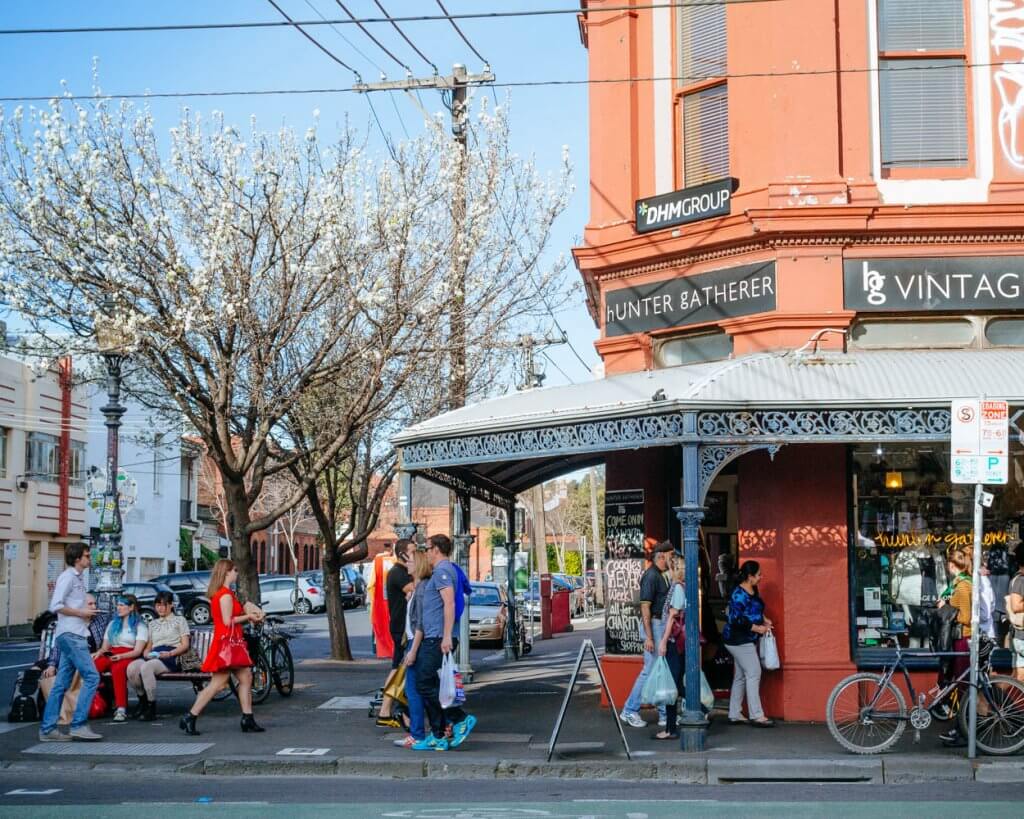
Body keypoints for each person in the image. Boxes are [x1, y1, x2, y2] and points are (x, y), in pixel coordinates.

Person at [180, 559, 266, 735]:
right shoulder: (225, 595)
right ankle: (190, 716)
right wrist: (249, 617)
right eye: (234, 570)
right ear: (226, 572)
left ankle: (247, 718)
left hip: (228, 642)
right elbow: (228, 621)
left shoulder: (222, 593)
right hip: (228, 643)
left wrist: (248, 610)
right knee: (217, 684)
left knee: (246, 677)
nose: (236, 573)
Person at [412, 534, 476, 751]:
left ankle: (459, 718)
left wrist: (447, 636)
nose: (426, 553)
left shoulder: (442, 572)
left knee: (424, 682)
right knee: (428, 684)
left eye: (428, 548)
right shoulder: (442, 572)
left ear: (436, 549)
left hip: (438, 638)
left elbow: (449, 604)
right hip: (435, 636)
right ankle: (439, 733)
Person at [39, 542, 102, 742]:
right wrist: (81, 612)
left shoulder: (77, 577)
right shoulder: (68, 577)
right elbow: (55, 605)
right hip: (73, 634)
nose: (89, 559)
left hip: (71, 633)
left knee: (61, 683)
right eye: (86, 555)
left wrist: (84, 613)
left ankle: (48, 729)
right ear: (77, 558)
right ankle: (79, 724)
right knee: (92, 677)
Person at [619, 541, 674, 728]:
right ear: (661, 556)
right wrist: (650, 637)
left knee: (659, 670)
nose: (672, 559)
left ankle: (663, 713)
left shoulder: (660, 575)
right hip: (655, 625)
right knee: (650, 670)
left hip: (658, 624)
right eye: (670, 556)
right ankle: (629, 710)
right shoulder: (651, 576)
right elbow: (645, 608)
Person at [39, 593, 106, 728]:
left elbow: (108, 642)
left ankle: (74, 721)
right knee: (42, 671)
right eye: (90, 604)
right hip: (70, 656)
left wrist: (100, 652)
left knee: (89, 676)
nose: (94, 607)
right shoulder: (70, 623)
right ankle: (57, 719)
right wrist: (52, 664)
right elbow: (58, 646)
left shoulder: (100, 620)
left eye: (94, 603)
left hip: (89, 658)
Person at [722, 560, 775, 727]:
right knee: (753, 672)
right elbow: (734, 618)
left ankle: (735, 713)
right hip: (739, 639)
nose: (761, 577)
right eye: (759, 575)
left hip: (743, 639)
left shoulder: (752, 589)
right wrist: (756, 628)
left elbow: (754, 609)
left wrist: (764, 620)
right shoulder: (738, 594)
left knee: (740, 676)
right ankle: (757, 715)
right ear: (750, 577)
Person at [126, 590, 191, 721]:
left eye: (163, 605)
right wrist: (146, 653)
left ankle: (151, 707)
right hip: (154, 654)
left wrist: (170, 653)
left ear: (171, 605)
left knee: (147, 668)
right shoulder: (153, 623)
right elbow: (149, 645)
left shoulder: (180, 620)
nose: (160, 608)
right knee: (132, 668)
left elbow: (185, 645)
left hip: (172, 655)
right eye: (157, 605)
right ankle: (143, 700)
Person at [395, 546, 432, 749]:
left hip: (416, 643)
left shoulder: (421, 590)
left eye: (409, 561)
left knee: (414, 690)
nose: (406, 564)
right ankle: (422, 731)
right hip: (413, 642)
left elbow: (420, 624)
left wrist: (413, 650)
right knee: (418, 690)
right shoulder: (417, 590)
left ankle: (418, 734)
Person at [937, 548, 974, 747]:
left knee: (963, 686)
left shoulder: (962, 587)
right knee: (961, 685)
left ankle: (963, 731)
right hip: (962, 639)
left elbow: (966, 617)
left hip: (963, 639)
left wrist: (945, 608)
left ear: (951, 566)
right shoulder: (962, 583)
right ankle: (962, 728)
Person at [92, 593, 149, 722]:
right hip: (112, 653)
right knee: (93, 666)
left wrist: (121, 656)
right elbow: (105, 647)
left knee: (118, 670)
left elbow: (138, 650)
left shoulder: (140, 626)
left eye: (122, 605)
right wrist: (99, 652)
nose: (118, 608)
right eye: (117, 605)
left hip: (129, 655)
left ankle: (121, 708)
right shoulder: (112, 624)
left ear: (131, 607)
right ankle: (89, 701)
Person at [378, 539, 415, 727]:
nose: (415, 556)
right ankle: (385, 710)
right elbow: (414, 589)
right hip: (401, 627)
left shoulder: (401, 572)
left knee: (400, 668)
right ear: (402, 554)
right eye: (412, 552)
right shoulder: (398, 573)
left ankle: (390, 711)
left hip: (403, 626)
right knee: (398, 668)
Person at [655, 554, 687, 740]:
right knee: (677, 683)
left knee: (671, 685)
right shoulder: (682, 587)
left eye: (669, 567)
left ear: (674, 569)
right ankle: (701, 705)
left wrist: (663, 641)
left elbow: (672, 617)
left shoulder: (677, 589)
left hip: (674, 642)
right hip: (680, 641)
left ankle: (670, 729)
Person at [1008, 542, 1024, 684]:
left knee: (1021, 676)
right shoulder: (1020, 580)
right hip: (1022, 636)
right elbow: (1016, 605)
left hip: (1020, 635)